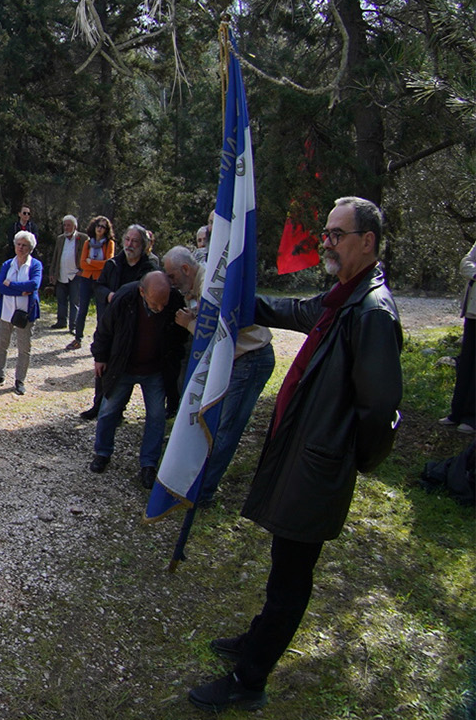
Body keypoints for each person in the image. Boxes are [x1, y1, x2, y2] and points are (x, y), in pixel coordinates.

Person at [188, 196, 403, 712]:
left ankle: (250, 679)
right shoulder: (345, 297)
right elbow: (300, 311)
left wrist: (347, 460)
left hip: (320, 465)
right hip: (307, 456)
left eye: (336, 235)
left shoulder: (372, 312)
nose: (326, 242)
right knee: (283, 564)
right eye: (325, 233)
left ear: (367, 242)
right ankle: (256, 639)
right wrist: (244, 299)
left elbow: (379, 410)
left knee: (291, 576)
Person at [162, 246, 276, 506]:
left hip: (250, 358)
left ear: (186, 269)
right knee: (211, 421)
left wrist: (189, 324)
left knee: (225, 427)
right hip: (237, 360)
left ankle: (203, 493)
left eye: (171, 276)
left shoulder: (211, 286)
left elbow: (220, 335)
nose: (170, 282)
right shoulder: (197, 285)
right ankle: (198, 483)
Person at [87, 272, 189, 487]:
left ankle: (149, 464)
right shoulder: (125, 297)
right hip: (123, 366)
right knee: (108, 410)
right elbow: (104, 329)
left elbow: (179, 337)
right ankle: (102, 453)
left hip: (155, 370)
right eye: (155, 304)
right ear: (142, 291)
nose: (160, 309)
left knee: (156, 416)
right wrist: (100, 356)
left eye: (164, 304)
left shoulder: (174, 301)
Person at [80, 222, 156, 419]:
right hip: (111, 322)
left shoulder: (150, 269)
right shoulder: (113, 264)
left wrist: (123, 297)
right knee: (102, 362)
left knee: (126, 369)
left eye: (135, 241)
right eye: (127, 240)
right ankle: (98, 405)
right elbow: (99, 286)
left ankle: (117, 410)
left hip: (136, 326)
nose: (130, 245)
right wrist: (109, 296)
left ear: (144, 245)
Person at [0, 231, 42, 394]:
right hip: (6, 312)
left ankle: (20, 380)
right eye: (18, 244)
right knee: (1, 346)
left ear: (30, 248)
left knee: (24, 348)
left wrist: (10, 285)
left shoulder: (35, 265)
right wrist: (20, 291)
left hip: (25, 313)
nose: (20, 247)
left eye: (24, 245)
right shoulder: (7, 265)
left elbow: (34, 285)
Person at [438, 237, 476, 434]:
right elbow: (466, 263)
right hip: (473, 312)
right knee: (466, 363)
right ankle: (457, 412)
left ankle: (472, 418)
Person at [69, 215, 114, 352]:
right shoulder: (88, 243)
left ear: (106, 230)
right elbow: (82, 263)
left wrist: (91, 262)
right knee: (82, 310)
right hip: (86, 278)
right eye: (98, 226)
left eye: (103, 227)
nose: (100, 229)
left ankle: (101, 342)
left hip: (101, 281)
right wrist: (94, 264)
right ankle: (78, 339)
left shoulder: (109, 243)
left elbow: (108, 263)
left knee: (101, 312)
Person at [48, 215, 88, 332]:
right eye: (64, 225)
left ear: (75, 226)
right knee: (61, 299)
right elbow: (56, 256)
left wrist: (83, 271)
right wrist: (52, 272)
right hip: (61, 274)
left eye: (68, 225)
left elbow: (87, 255)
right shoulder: (60, 239)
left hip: (76, 275)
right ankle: (61, 322)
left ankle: (73, 325)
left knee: (75, 300)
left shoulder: (83, 238)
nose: (66, 227)